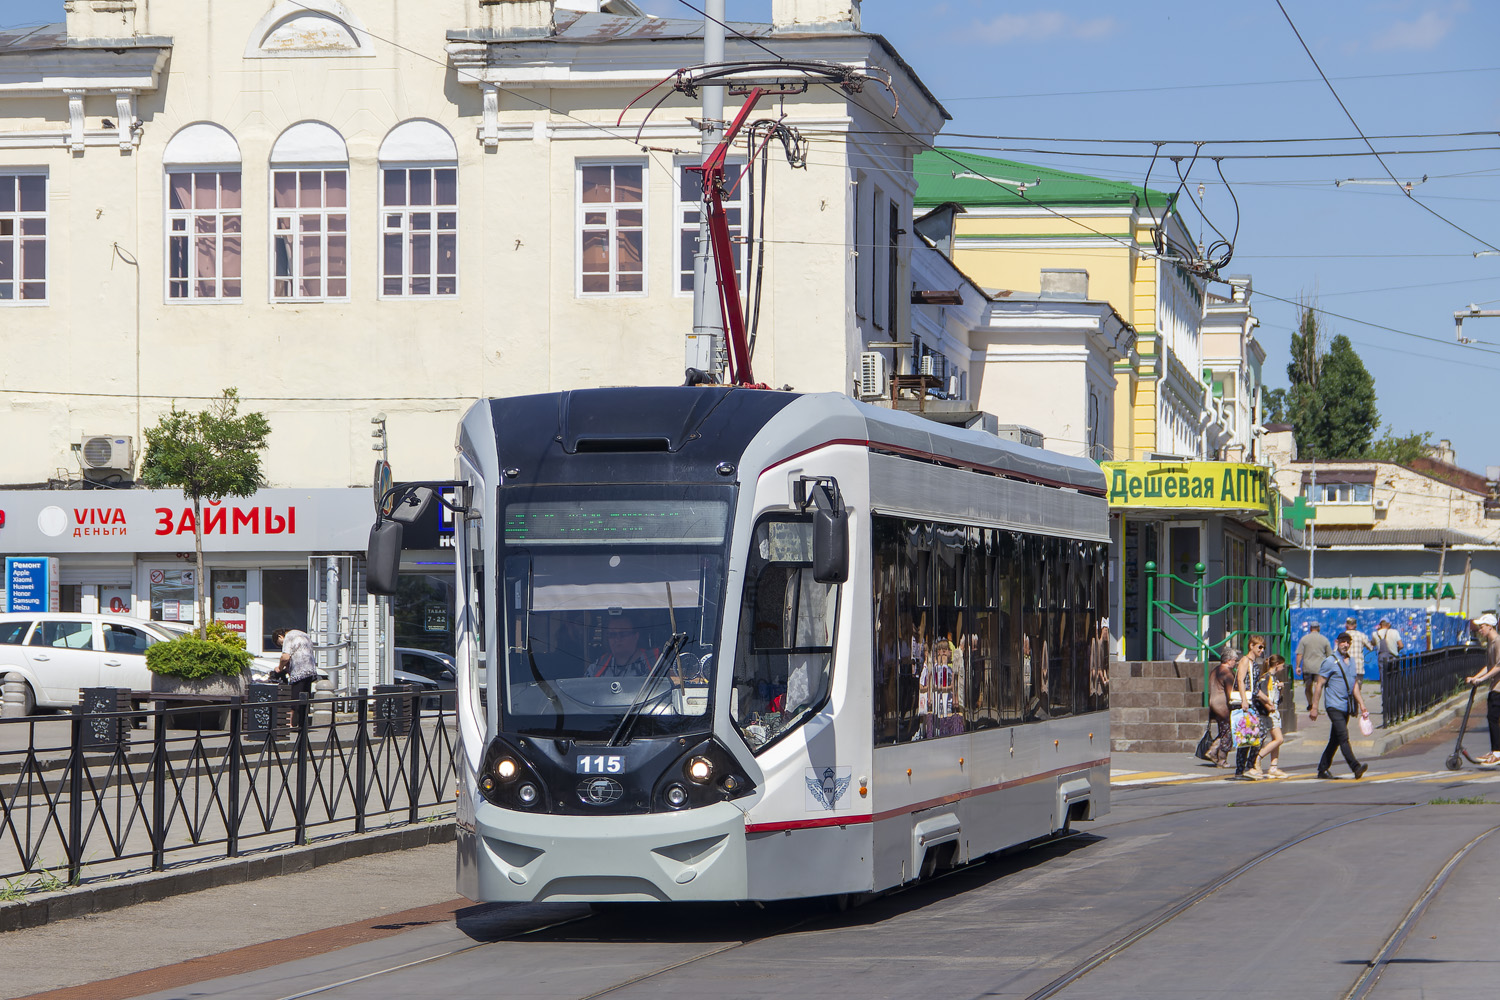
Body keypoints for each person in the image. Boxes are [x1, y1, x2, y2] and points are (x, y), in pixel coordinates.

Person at [1310, 631, 1371, 780]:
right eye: (1342, 641)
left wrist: (1362, 705)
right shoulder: (1330, 661)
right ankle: (1355, 767)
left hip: (1346, 706)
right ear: (1337, 642)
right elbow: (1319, 684)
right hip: (1333, 705)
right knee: (1343, 736)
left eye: (1348, 642)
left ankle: (1322, 769)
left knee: (1335, 739)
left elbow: (1354, 684)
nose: (1345, 644)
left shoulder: (1352, 661)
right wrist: (1314, 707)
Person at [1464, 613, 1500, 766]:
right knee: (1493, 718)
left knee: (1493, 718)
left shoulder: (1498, 642)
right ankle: (1495, 751)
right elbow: (1489, 666)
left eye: (1482, 627)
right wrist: (1475, 677)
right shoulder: (1491, 643)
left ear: (1490, 626)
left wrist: (1481, 679)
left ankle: (1497, 753)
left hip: (1499, 688)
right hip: (1495, 686)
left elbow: (1498, 666)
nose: (1480, 630)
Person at [1232, 637, 1267, 779]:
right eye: (1259, 647)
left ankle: (1247, 767)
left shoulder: (1254, 663)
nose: (1261, 650)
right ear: (1251, 646)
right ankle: (1243, 768)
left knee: (1254, 734)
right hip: (1246, 702)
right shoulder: (1245, 660)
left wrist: (1267, 701)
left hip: (1253, 701)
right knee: (1248, 734)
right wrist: (1244, 700)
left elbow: (1255, 687)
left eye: (1263, 647)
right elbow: (1240, 680)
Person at [272, 627, 318, 726]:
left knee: (296, 699)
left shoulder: (289, 636)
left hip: (299, 671)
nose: (281, 645)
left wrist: (280, 668)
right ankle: (303, 725)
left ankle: (293, 724)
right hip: (310, 670)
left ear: (280, 636)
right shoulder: (304, 634)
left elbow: (285, 657)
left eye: (279, 643)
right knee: (305, 699)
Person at [589, 614, 659, 677]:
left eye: (623, 634)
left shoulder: (655, 663)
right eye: (612, 634)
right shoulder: (597, 666)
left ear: (636, 636)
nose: (617, 639)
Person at [1257, 654, 1289, 778]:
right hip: (1269, 712)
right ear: (1276, 664)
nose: (1283, 667)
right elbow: (1263, 695)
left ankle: (1273, 766)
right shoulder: (1266, 678)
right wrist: (1268, 706)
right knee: (1279, 739)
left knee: (1276, 740)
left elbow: (1278, 699)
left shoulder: (1274, 679)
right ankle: (1258, 757)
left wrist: (1280, 689)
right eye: (1282, 665)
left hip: (1275, 711)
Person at [1206, 646, 1238, 768]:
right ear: (1229, 660)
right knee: (1227, 732)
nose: (1235, 662)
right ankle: (1221, 759)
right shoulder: (1227, 673)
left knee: (1224, 730)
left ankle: (1213, 751)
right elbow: (1230, 694)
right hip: (1223, 706)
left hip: (1213, 703)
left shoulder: (1215, 670)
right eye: (1235, 659)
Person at [1295, 622, 1332, 712]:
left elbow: (1299, 654)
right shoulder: (1324, 640)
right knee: (1317, 686)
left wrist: (1297, 666)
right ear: (1318, 628)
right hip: (1320, 667)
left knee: (1308, 687)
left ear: (1310, 628)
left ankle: (1310, 704)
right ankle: (1316, 705)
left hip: (1307, 667)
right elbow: (1329, 655)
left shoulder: (1304, 639)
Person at [1343, 616, 1376, 688]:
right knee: (1357, 689)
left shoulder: (1342, 636)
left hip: (1345, 667)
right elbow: (1371, 647)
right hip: (1358, 666)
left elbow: (1336, 651)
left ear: (1346, 625)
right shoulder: (1361, 635)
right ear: (1355, 625)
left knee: (1346, 689)